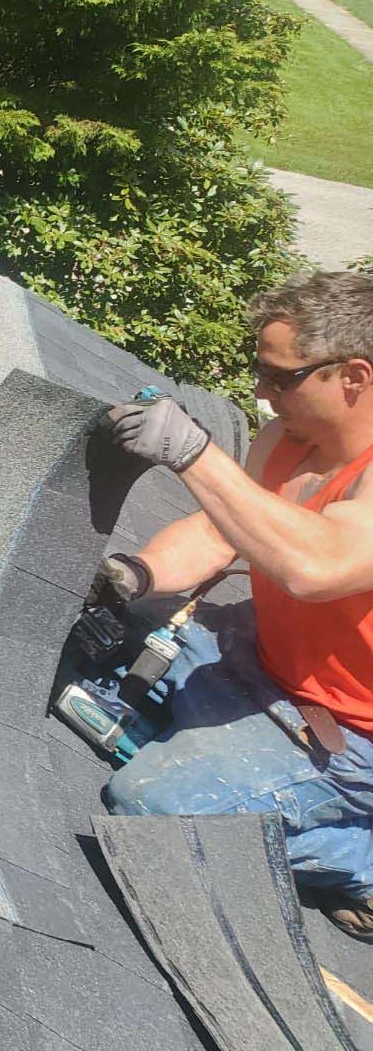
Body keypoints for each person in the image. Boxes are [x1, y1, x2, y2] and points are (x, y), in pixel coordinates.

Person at [97, 270, 373, 934]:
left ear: (354, 378)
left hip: (351, 736)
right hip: (259, 657)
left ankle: (359, 853)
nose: (260, 391)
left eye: (280, 377)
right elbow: (221, 533)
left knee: (152, 812)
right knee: (86, 660)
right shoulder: (289, 441)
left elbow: (315, 565)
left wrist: (191, 451)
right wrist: (134, 576)